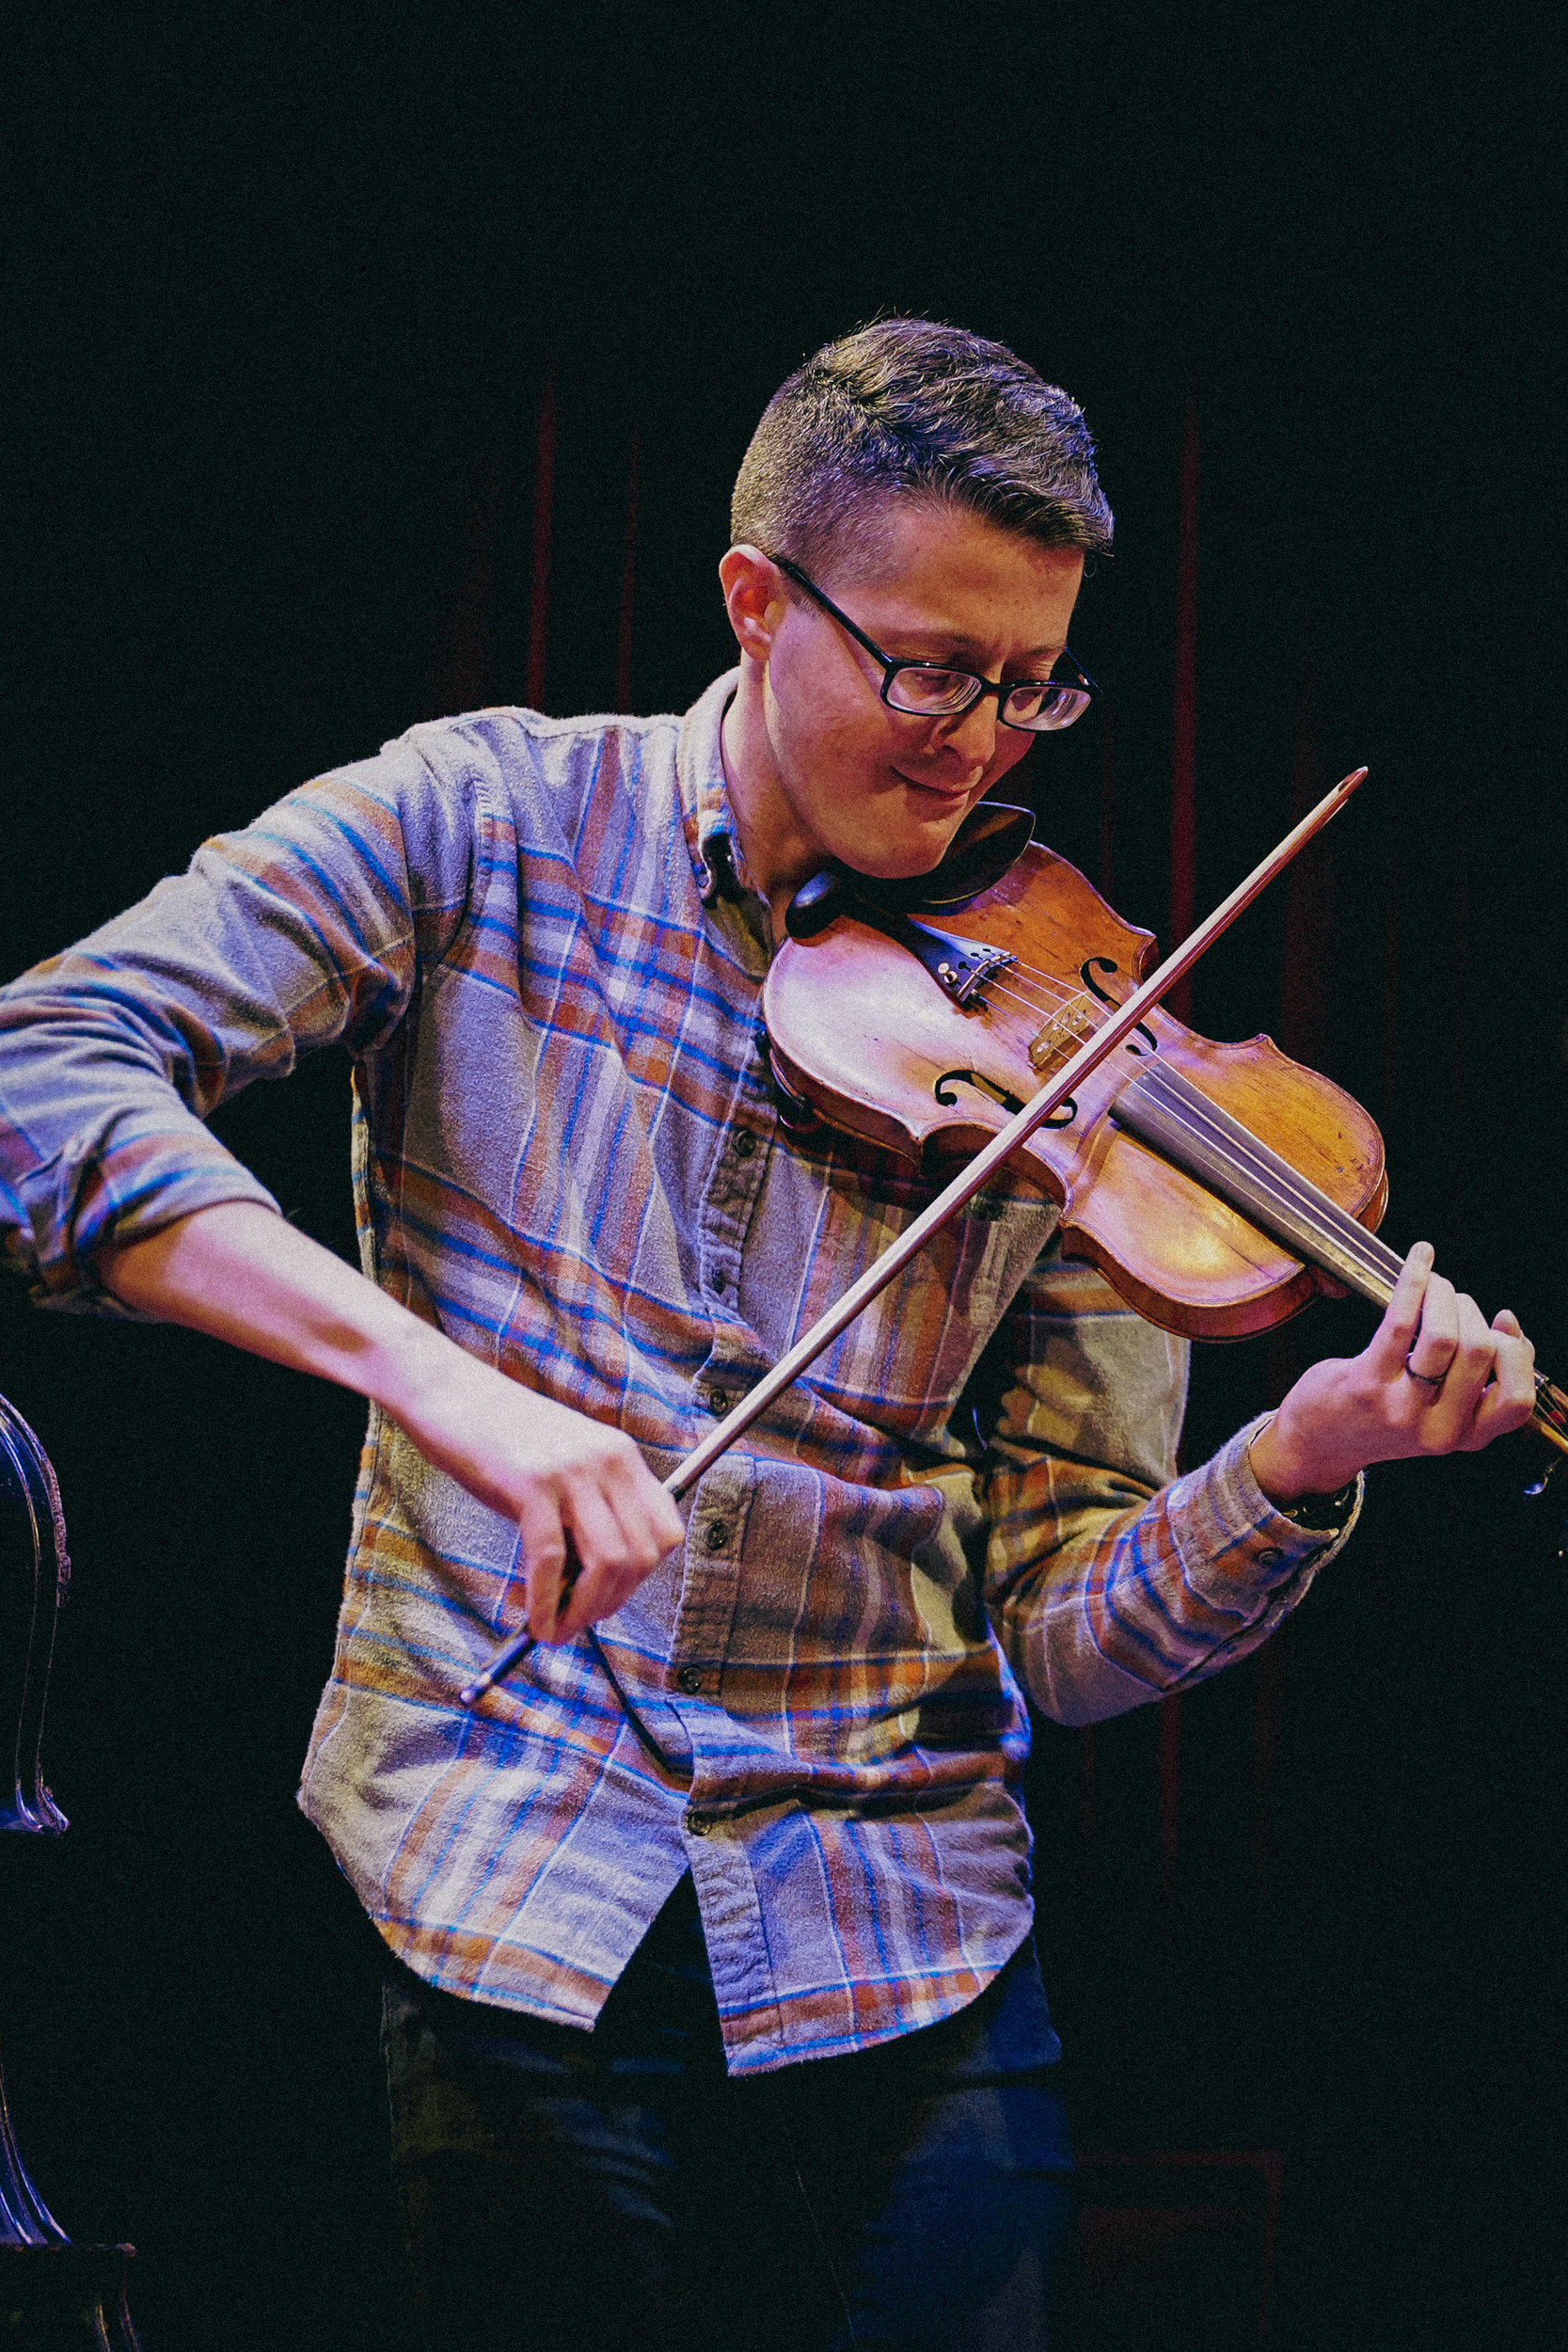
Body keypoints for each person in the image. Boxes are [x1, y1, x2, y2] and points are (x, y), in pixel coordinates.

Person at [0, 321, 1535, 2350]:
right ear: (756, 598)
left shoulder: (1078, 1041)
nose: (982, 743)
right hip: (509, 1876)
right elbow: (40, 1076)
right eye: (931, 668)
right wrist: (442, 1389)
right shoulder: (484, 823)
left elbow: (1065, 1635)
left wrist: (1303, 1457)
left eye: (1033, 682)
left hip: (906, 1935)